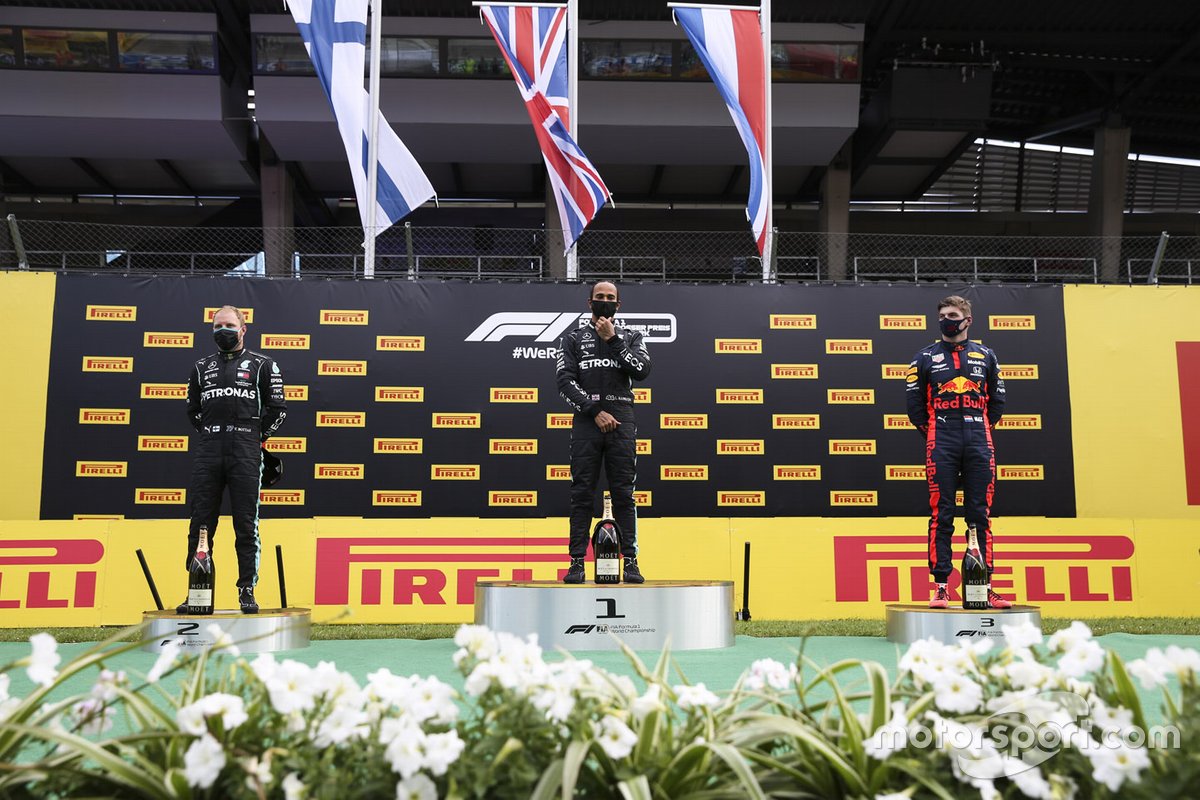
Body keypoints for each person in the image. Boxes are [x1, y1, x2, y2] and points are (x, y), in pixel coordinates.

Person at [178, 305, 287, 614]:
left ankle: (247, 591)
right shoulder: (200, 367)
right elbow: (192, 411)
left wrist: (255, 437)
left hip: (246, 450)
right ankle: (197, 594)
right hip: (209, 449)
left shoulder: (263, 364)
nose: (221, 331)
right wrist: (214, 432)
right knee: (200, 522)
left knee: (245, 525)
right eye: (216, 326)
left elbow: (279, 409)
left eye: (227, 325)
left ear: (243, 329)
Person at [906, 295, 1009, 610]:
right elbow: (914, 409)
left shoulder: (987, 355)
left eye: (952, 314)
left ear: (968, 320)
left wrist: (977, 427)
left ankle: (985, 586)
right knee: (942, 513)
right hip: (942, 439)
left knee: (980, 514)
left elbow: (998, 403)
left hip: (980, 437)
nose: (946, 320)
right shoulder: (923, 357)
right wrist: (939, 431)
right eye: (942, 315)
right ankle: (940, 587)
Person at [556, 281, 652, 584]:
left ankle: (632, 561)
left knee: (625, 494)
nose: (605, 302)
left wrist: (613, 341)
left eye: (611, 298)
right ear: (590, 303)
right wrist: (594, 411)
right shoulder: (572, 339)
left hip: (622, 421)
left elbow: (642, 370)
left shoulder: (632, 336)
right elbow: (565, 381)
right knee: (581, 494)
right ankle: (575, 563)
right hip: (587, 422)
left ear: (618, 306)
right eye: (600, 298)